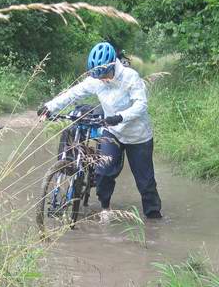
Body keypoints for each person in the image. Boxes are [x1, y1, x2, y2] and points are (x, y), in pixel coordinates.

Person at [37, 41, 162, 219]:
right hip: (112, 132)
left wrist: (120, 116)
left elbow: (141, 105)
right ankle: (106, 209)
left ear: (113, 65)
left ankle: (154, 217)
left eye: (104, 75)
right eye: (98, 76)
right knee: (103, 172)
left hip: (138, 136)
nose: (102, 79)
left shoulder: (130, 77)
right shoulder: (96, 80)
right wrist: (49, 107)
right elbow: (73, 93)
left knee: (145, 181)